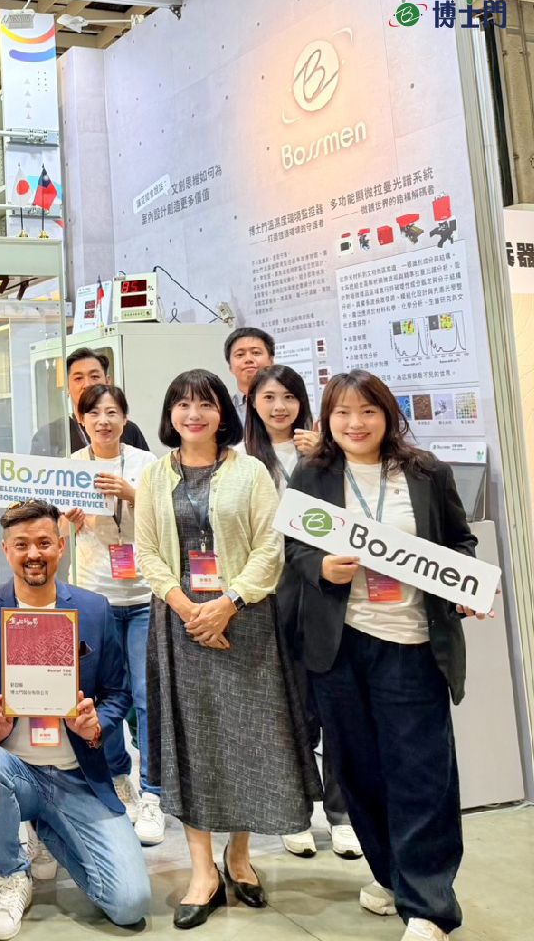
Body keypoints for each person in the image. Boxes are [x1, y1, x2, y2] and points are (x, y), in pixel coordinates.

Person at [284, 370, 485, 941]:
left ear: (388, 415)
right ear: (327, 419)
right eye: (343, 413)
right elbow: (294, 545)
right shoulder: (313, 474)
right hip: (341, 647)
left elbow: (460, 542)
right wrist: (320, 567)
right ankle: (394, 876)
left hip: (413, 645)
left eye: (368, 411)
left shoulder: (426, 473)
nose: (356, 423)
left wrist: (464, 585)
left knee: (421, 774)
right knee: (359, 773)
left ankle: (429, 906)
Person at [133, 369, 319, 930]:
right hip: (180, 625)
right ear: (169, 414)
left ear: (223, 414)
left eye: (206, 404)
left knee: (245, 740)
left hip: (246, 622)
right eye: (183, 404)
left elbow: (271, 547)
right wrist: (190, 609)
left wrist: (228, 603)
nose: (194, 414)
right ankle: (201, 872)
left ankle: (239, 857)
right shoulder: (153, 475)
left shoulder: (251, 471)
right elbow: (147, 553)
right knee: (193, 743)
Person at [0, 500, 151, 941]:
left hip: (77, 775)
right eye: (22, 545)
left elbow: (118, 693)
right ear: (6, 549)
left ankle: (48, 829)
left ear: (61, 546)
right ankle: (13, 872)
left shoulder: (93, 609)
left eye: (44, 543)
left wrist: (96, 724)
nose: (34, 554)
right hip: (13, 769)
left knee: (131, 904)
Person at [244, 365, 361, 861]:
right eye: (269, 397)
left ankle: (342, 814)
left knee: (334, 705)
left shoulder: (329, 453)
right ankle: (295, 811)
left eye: (289, 397)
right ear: (252, 403)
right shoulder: (243, 458)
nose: (279, 407)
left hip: (322, 587)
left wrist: (326, 458)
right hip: (267, 593)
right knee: (286, 709)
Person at [62, 384, 163, 845]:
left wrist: (131, 494)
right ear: (81, 420)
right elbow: (56, 530)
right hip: (94, 599)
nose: (103, 421)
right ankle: (119, 776)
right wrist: (68, 517)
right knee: (103, 697)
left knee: (145, 695)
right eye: (94, 413)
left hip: (143, 594)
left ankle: (154, 792)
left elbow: (168, 518)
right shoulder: (71, 467)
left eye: (111, 412)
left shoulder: (146, 465)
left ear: (125, 418)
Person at [30, 348, 149, 457]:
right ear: (66, 387)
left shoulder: (128, 430)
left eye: (94, 376)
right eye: (78, 378)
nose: (87, 384)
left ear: (108, 382)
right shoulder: (49, 436)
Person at [223, 327, 275, 426]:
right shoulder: (222, 410)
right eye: (240, 354)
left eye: (256, 353)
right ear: (230, 367)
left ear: (271, 362)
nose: (248, 359)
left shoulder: (288, 404)